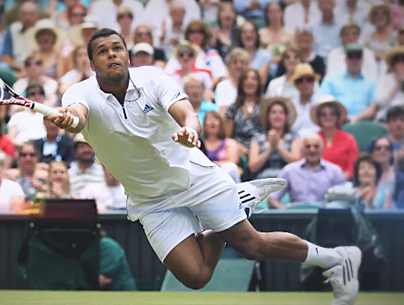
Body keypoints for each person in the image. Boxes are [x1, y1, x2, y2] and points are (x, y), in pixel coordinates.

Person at [45, 29, 362, 301]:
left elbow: (186, 113)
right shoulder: (79, 92)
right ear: (92, 64)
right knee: (196, 277)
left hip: (194, 178)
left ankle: (337, 258)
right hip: (150, 200)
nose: (112, 54)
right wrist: (70, 119)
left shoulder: (153, 77)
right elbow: (77, 117)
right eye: (103, 51)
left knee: (251, 245)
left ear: (127, 54)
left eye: (117, 48)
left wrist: (190, 130)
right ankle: (232, 204)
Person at [269, 134, 345, 209]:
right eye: (308, 146)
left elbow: (343, 200)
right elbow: (272, 198)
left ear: (322, 149)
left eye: (316, 146)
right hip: (296, 217)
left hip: (325, 217)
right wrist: (285, 211)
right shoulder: (289, 170)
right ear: (302, 149)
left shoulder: (335, 171)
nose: (312, 150)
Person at [319, 43, 377, 124]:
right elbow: (323, 101)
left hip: (362, 122)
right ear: (346, 59)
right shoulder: (331, 79)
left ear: (362, 60)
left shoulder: (370, 83)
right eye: (351, 57)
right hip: (335, 123)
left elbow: (373, 107)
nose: (354, 61)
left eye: (357, 57)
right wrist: (339, 117)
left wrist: (357, 118)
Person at [248, 97, 301, 180]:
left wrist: (279, 146)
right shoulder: (257, 138)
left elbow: (296, 163)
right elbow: (252, 166)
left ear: (286, 116)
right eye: (273, 112)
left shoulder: (294, 137)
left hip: (287, 181)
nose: (277, 116)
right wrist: (270, 149)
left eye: (281, 113)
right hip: (263, 181)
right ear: (268, 116)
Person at [312, 95, 359, 180]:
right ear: (319, 118)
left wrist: (339, 180)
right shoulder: (313, 139)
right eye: (323, 114)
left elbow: (352, 167)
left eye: (332, 114)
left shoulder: (349, 139)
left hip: (343, 183)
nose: (328, 117)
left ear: (338, 117)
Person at [374, 46, 404, 121]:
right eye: (398, 61)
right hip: (386, 117)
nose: (401, 64)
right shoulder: (385, 79)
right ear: (393, 64)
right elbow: (380, 102)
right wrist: (398, 83)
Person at [225, 69, 263, 156]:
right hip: (239, 150)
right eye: (246, 79)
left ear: (258, 83)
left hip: (262, 149)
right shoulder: (233, 108)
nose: (249, 82)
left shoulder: (266, 106)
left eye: (254, 79)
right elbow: (227, 137)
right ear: (242, 83)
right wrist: (243, 149)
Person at [0, 1, 41, 76]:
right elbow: (5, 57)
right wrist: (21, 68)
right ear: (19, 16)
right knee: (2, 67)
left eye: (31, 14)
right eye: (24, 14)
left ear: (37, 17)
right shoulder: (12, 29)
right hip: (16, 68)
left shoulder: (43, 31)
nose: (27, 17)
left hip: (37, 68)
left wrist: (30, 69)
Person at [202, 111, 241, 183]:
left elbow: (233, 161)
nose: (212, 122)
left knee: (231, 167)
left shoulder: (230, 143)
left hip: (226, 175)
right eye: (209, 119)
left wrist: (215, 165)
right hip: (206, 177)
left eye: (216, 119)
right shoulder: (200, 144)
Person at [368, 136, 404, 201]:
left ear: (391, 153)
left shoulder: (400, 178)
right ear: (372, 153)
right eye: (378, 148)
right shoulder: (364, 175)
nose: (383, 151)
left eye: (387, 148)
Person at [214, 48, 250, 116]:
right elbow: (222, 111)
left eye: (242, 62)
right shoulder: (222, 86)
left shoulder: (252, 86)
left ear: (247, 65)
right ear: (229, 66)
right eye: (235, 62)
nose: (239, 66)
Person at [236, 20, 272, 86]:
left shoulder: (265, 55)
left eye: (252, 32)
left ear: (256, 35)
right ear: (240, 35)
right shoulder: (235, 55)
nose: (248, 35)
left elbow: (261, 81)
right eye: (245, 32)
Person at [290, 63, 321, 137]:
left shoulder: (321, 103)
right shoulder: (290, 105)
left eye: (309, 80)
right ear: (295, 85)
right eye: (300, 80)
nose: (305, 84)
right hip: (294, 142)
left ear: (314, 83)